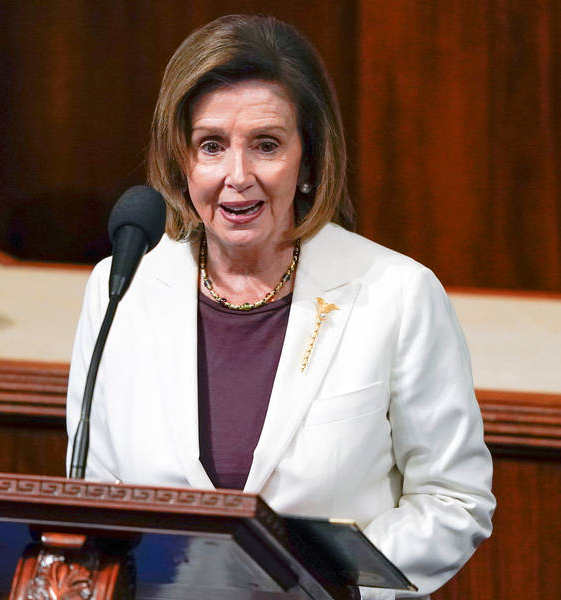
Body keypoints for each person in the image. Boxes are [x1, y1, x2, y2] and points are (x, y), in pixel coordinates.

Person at [67, 14, 494, 599]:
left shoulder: (397, 294)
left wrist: (323, 588)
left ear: (309, 160)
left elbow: (454, 500)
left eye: (265, 145)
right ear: (181, 161)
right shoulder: (121, 288)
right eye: (211, 146)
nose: (237, 177)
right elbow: (93, 493)